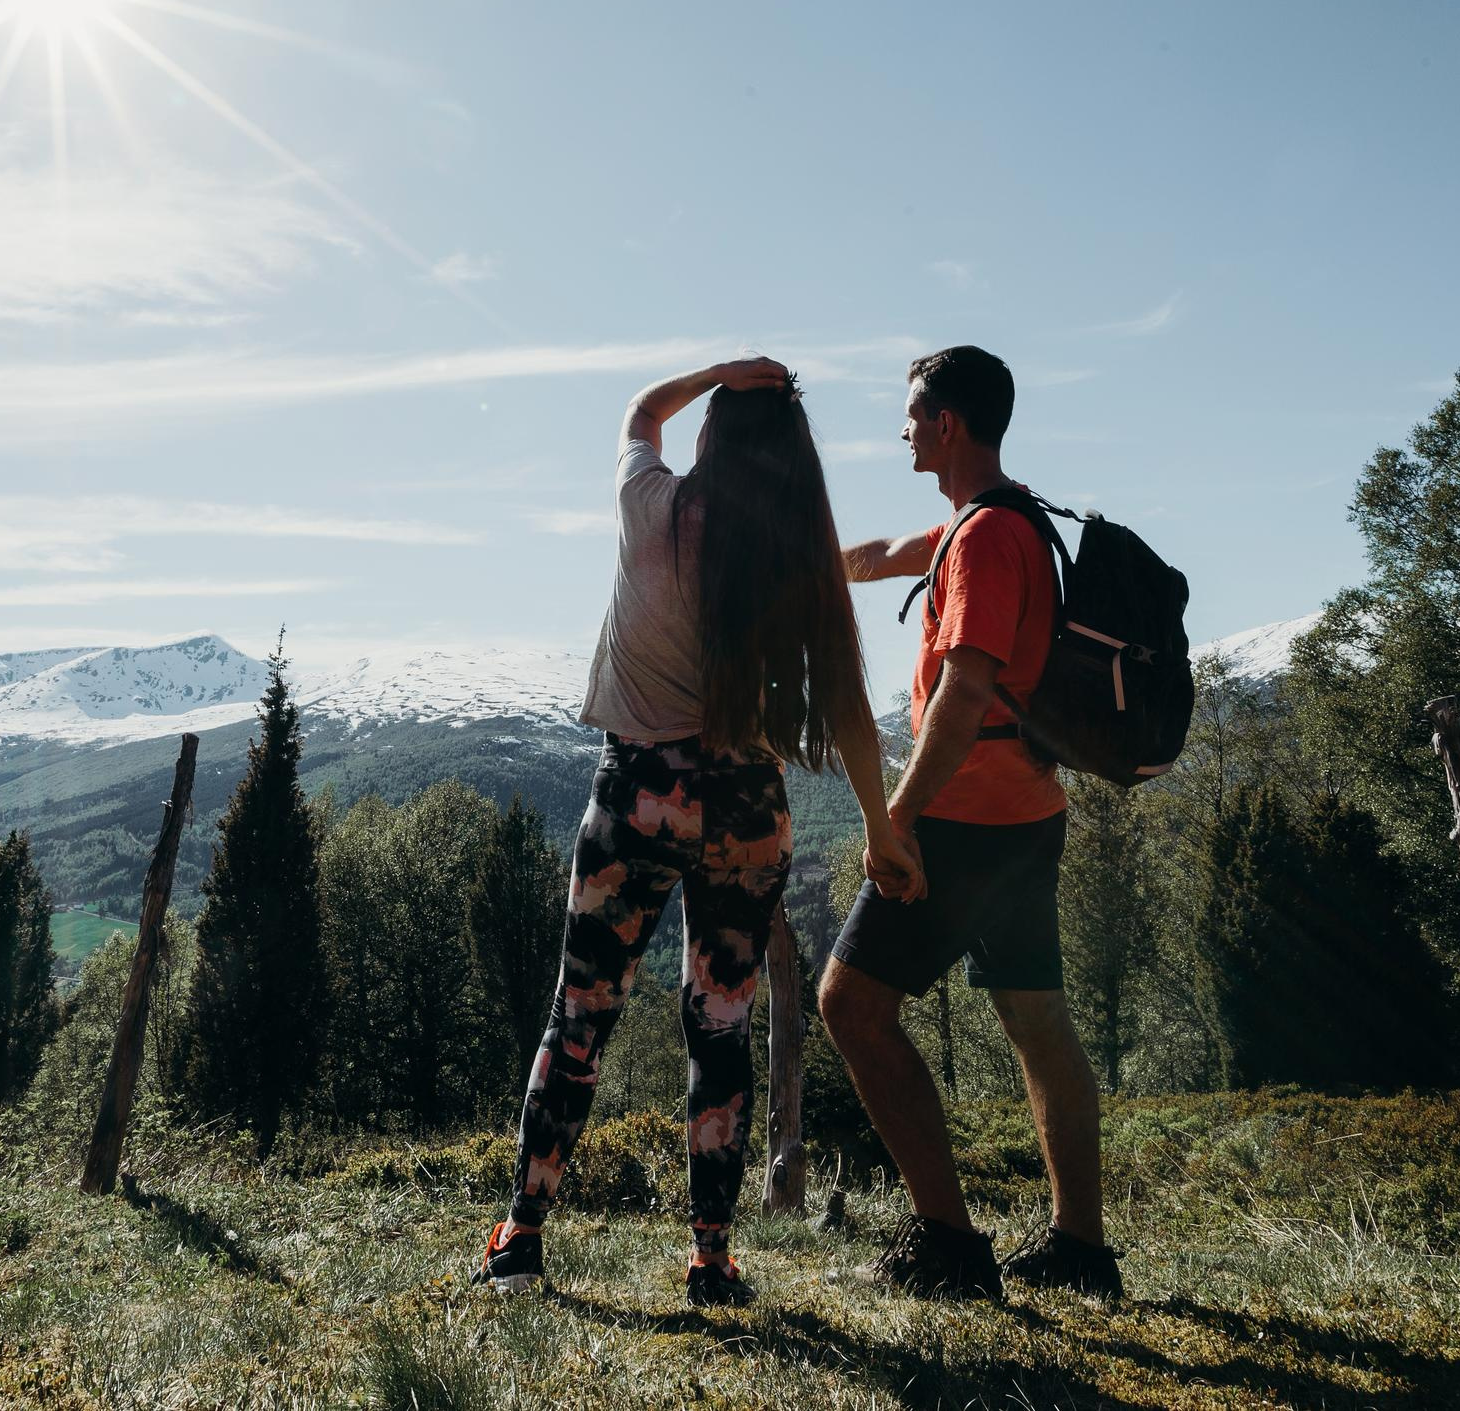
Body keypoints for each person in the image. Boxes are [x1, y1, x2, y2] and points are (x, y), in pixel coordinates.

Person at [475, 354, 913, 1308]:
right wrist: (880, 830)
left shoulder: (654, 508)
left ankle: (522, 1231)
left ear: (713, 438)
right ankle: (711, 1257)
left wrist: (721, 369)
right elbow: (844, 707)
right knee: (721, 1027)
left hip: (639, 792)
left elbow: (638, 410)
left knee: (581, 1014)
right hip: (747, 807)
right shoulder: (796, 557)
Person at [820, 345, 1124, 1301]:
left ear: (946, 423)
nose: (902, 431)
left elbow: (963, 692)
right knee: (1038, 1020)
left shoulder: (988, 540)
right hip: (1029, 816)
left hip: (963, 820)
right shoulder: (989, 521)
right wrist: (790, 570)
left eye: (912, 416)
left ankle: (948, 1246)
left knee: (851, 1006)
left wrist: (895, 820)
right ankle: (1080, 1247)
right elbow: (876, 559)